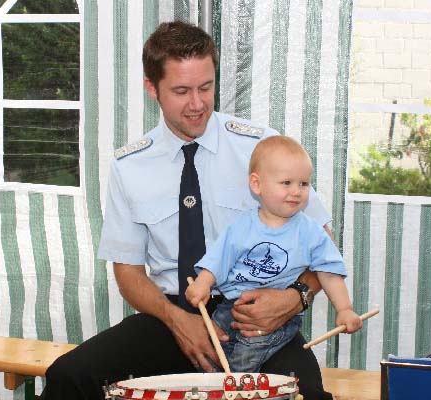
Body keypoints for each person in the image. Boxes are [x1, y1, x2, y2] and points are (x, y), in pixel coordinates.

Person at [43, 21, 334, 399]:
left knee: (304, 395)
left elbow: (323, 240)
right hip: (172, 318)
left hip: (255, 323)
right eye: (181, 91)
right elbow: (128, 272)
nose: (197, 104)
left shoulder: (261, 149)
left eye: (206, 87)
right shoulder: (129, 167)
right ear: (152, 88)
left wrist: (294, 298)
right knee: (69, 377)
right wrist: (177, 320)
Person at [186, 135, 362, 373]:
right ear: (257, 184)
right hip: (231, 306)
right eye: (286, 183)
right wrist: (203, 283)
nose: (296, 191)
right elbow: (219, 258)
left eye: (303, 184)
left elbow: (328, 272)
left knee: (242, 361)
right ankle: (217, 383)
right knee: (212, 351)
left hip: (275, 316)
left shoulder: (310, 231)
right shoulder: (242, 225)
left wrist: (344, 309)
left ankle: (238, 386)